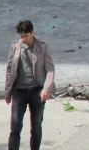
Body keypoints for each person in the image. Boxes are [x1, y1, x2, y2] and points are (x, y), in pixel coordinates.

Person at [5, 20, 55, 150]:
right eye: (21, 36)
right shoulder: (15, 47)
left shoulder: (43, 47)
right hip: (19, 91)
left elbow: (50, 70)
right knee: (15, 127)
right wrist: (7, 92)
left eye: (25, 36)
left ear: (32, 33)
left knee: (36, 128)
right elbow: (10, 70)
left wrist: (46, 89)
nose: (23, 39)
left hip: (37, 91)